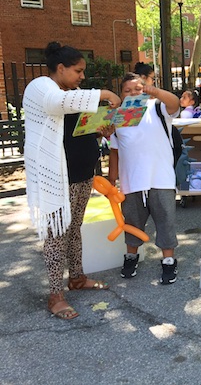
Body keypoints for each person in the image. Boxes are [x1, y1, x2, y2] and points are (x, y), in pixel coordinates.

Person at [23, 41, 121, 320]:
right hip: (57, 176)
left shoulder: (76, 93)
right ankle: (55, 295)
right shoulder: (41, 87)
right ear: (60, 68)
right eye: (78, 71)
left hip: (83, 174)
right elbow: (58, 105)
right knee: (56, 235)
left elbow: (80, 129)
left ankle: (77, 278)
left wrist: (102, 129)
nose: (82, 76)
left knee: (74, 228)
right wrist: (104, 93)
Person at [108, 73, 181, 285]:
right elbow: (115, 150)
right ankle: (131, 256)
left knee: (166, 221)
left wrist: (153, 91)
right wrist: (112, 181)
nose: (132, 94)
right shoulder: (117, 117)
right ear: (121, 95)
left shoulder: (157, 108)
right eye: (127, 91)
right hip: (132, 181)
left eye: (137, 89)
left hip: (161, 178)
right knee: (132, 222)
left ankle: (168, 260)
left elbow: (175, 103)